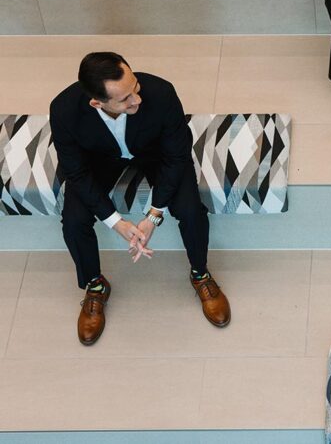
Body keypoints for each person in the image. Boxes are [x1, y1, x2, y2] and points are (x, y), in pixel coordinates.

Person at [49, 53, 231, 346]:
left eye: (135, 87)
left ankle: (200, 273)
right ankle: (95, 286)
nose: (137, 100)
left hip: (155, 152)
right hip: (100, 159)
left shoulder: (161, 93)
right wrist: (116, 223)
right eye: (125, 99)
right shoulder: (63, 110)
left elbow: (177, 156)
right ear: (97, 103)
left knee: (190, 209)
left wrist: (154, 215)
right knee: (73, 221)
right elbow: (77, 173)